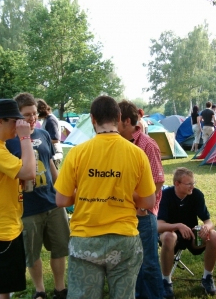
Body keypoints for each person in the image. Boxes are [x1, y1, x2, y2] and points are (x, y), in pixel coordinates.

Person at [54, 95, 156, 299]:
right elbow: (148, 202)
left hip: (85, 239)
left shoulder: (77, 153)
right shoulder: (136, 154)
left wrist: (88, 192)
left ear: (92, 119)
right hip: (124, 239)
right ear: (119, 117)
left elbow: (62, 200)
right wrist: (122, 192)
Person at [6, 93, 69, 299]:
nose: (32, 118)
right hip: (28, 208)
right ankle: (40, 290)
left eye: (34, 113)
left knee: (59, 248)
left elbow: (52, 168)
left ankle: (60, 288)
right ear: (17, 117)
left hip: (52, 204)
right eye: (27, 115)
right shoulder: (9, 142)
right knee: (32, 253)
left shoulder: (42, 135)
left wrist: (62, 193)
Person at [0, 99, 36, 299]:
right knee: (0, 288)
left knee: (5, 286)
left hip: (5, 225)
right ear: (0, 121)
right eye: (16, 121)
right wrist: (25, 139)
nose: (19, 125)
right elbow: (29, 171)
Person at [118, 99, 164, 299]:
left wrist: (144, 209)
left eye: (116, 121)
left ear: (127, 121)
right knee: (130, 262)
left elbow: (158, 182)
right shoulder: (120, 143)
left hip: (143, 214)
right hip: (125, 213)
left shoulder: (147, 144)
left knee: (148, 264)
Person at [158, 167, 216, 298]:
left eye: (193, 183)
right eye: (189, 184)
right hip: (171, 235)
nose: (192, 186)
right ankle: (166, 281)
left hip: (192, 236)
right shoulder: (165, 195)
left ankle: (207, 278)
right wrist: (178, 226)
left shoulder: (197, 195)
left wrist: (206, 228)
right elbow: (158, 226)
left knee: (214, 235)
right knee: (169, 236)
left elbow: (209, 221)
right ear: (177, 184)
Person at [37, 99, 63, 169]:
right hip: (51, 154)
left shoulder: (51, 120)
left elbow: (55, 139)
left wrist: (40, 141)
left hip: (55, 154)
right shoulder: (47, 119)